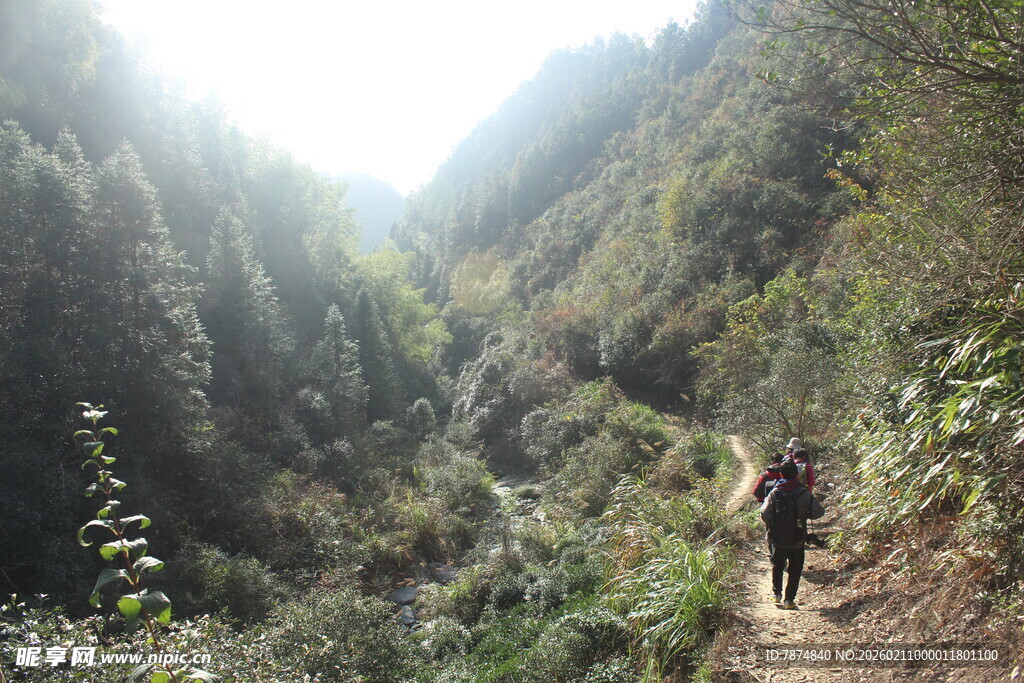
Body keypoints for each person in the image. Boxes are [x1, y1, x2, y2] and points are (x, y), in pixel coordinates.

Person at [760, 460, 825, 609]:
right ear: (796, 474)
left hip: (777, 537)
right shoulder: (804, 493)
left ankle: (777, 594)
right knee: (795, 569)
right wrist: (804, 514)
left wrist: (774, 522)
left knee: (777, 564)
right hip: (798, 537)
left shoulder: (775, 492)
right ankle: (789, 600)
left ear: (781, 474)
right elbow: (819, 512)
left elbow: (764, 514)